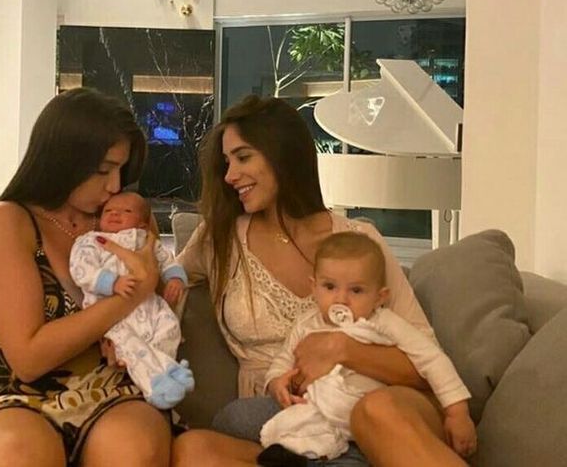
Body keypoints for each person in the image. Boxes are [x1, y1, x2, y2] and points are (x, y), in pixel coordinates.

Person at [172, 94, 472, 467]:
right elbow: (162, 280)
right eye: (227, 162)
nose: (230, 175)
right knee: (195, 450)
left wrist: (342, 350)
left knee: (375, 409)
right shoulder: (219, 239)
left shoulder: (359, 242)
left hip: (376, 404)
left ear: (282, 154)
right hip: (286, 420)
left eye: (243, 157)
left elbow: (423, 363)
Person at [0, 88, 174, 467]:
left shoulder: (122, 217)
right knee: (18, 450)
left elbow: (162, 309)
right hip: (21, 394)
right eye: (102, 170)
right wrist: (128, 296)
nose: (114, 186)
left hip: (114, 388)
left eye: (121, 171)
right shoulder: (10, 220)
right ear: (62, 159)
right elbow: (28, 358)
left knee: (132, 448)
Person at [257, 231, 476, 466]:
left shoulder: (383, 322)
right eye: (329, 287)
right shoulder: (306, 324)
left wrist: (457, 412)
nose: (341, 299)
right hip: (317, 414)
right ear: (314, 287)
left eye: (356, 290)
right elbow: (283, 361)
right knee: (276, 429)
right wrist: (276, 383)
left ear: (380, 297)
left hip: (365, 420)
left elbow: (432, 359)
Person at [69, 191, 193, 409]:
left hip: (149, 305)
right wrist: (111, 282)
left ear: (143, 224)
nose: (115, 214)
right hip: (109, 310)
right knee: (128, 345)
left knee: (169, 326)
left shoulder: (145, 240)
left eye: (126, 211)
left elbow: (166, 260)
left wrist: (175, 278)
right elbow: (81, 269)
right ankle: (154, 385)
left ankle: (167, 366)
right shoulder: (91, 241)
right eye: (108, 211)